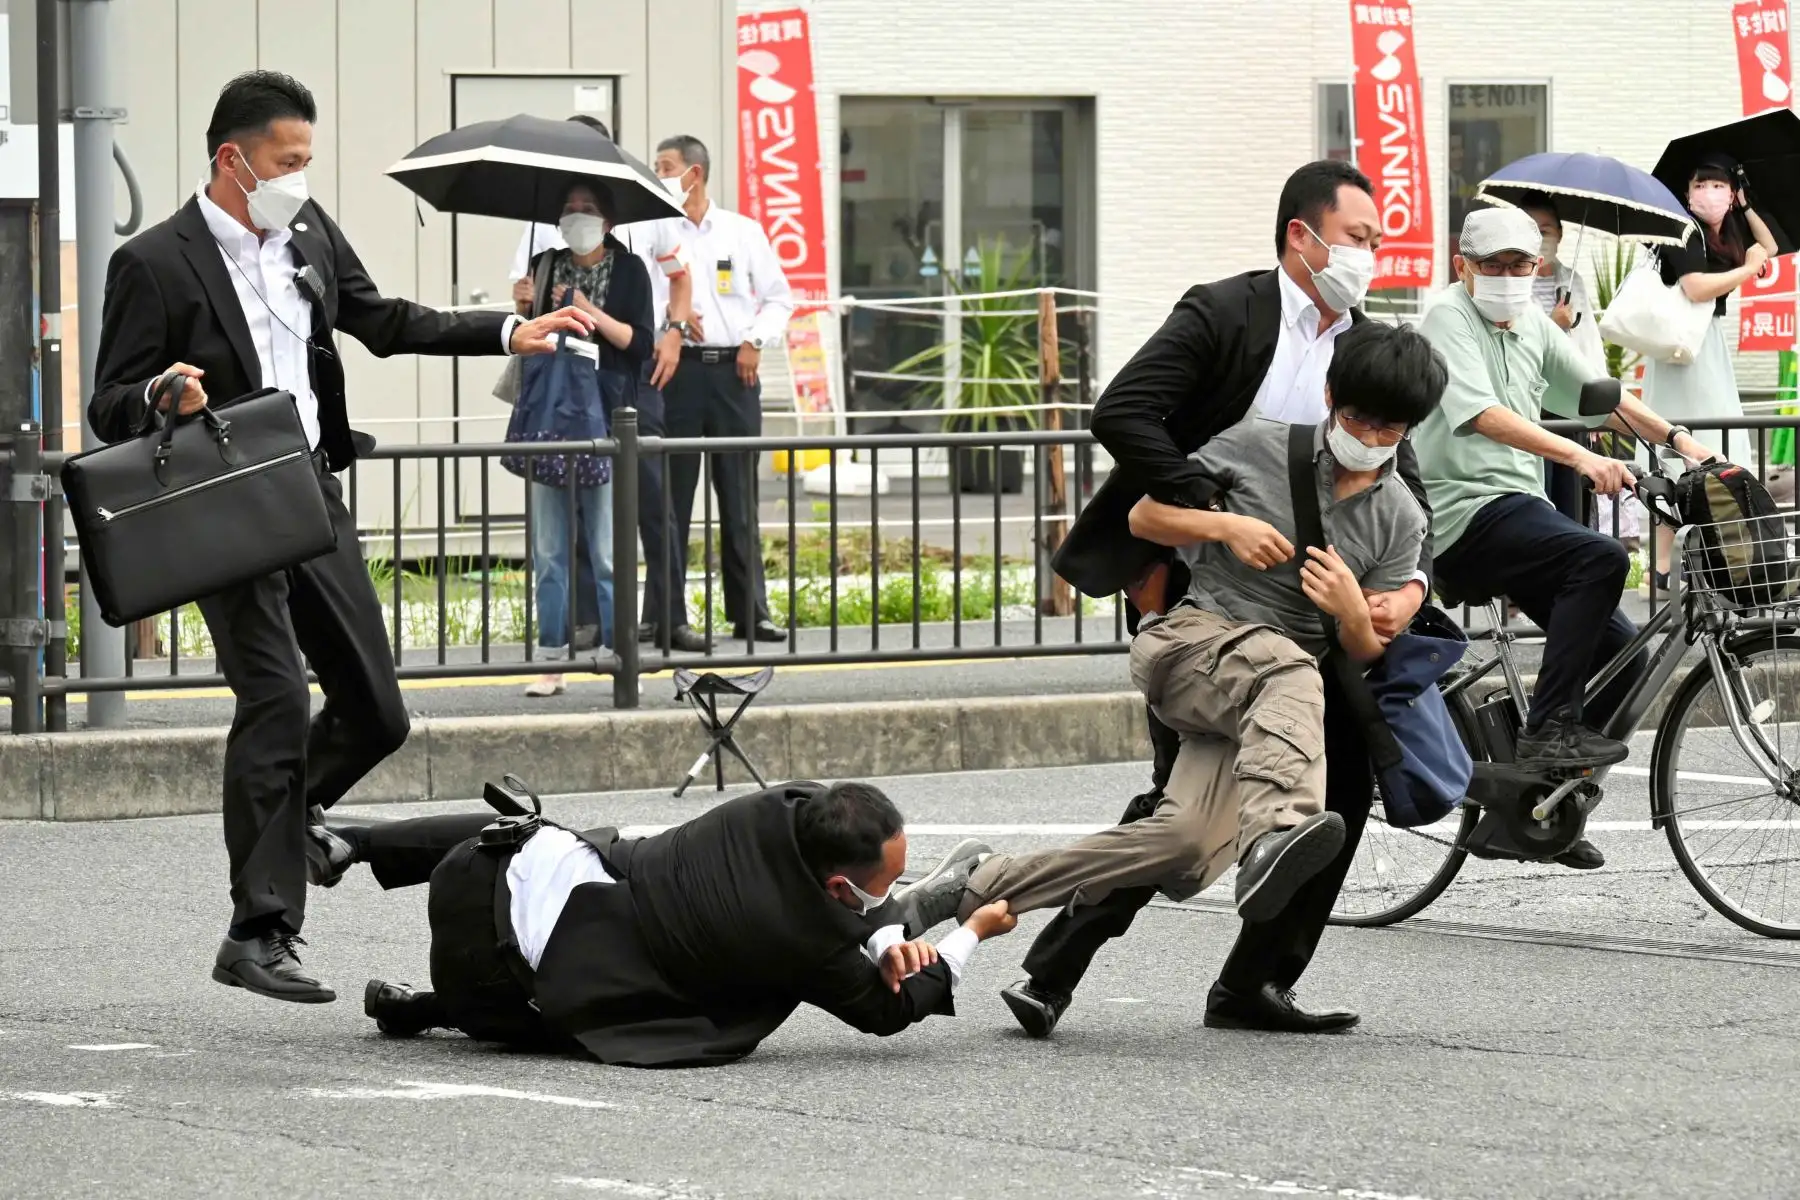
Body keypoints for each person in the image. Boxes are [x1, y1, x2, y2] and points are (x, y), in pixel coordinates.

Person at [87, 71, 593, 1004]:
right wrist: (163, 392)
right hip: (221, 502)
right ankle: (259, 930)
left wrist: (506, 331)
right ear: (232, 158)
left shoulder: (308, 233)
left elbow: (382, 321)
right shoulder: (155, 262)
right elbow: (108, 401)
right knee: (277, 699)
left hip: (309, 491)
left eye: (306, 162)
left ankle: (288, 827)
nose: (300, 178)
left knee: (376, 711)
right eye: (287, 162)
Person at [1009, 160, 1437, 1039]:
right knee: (1182, 797)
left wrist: (1411, 588)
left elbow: (1407, 479)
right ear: (1302, 236)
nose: (1368, 255)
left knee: (1344, 786)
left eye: (1375, 241)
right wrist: (1214, 512)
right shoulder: (1226, 313)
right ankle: (1054, 970)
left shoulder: (1366, 346)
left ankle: (1255, 982)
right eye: (1357, 238)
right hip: (1206, 593)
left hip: (1315, 614)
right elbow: (1124, 412)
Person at [898, 324, 1446, 999]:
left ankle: (977, 881)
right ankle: (1277, 832)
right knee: (1292, 669)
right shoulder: (1257, 444)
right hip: (1192, 643)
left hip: (1265, 701)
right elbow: (1144, 517)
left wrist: (1352, 611)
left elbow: (1366, 649)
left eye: (1389, 427)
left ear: (1410, 428)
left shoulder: (1400, 517)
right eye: (1357, 417)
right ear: (1330, 396)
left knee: (1182, 841)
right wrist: (1226, 525)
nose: (1369, 435)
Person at [308, 782, 1013, 1066]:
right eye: (886, 884)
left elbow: (844, 898)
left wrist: (882, 930)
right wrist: (972, 932)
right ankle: (429, 1007)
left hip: (474, 871)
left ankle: (358, 842)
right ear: (837, 888)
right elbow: (888, 1014)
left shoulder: (774, 808)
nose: (887, 892)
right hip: (493, 986)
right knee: (598, 1005)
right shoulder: (806, 943)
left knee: (539, 834)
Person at [1414, 207, 1715, 788]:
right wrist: (1580, 456)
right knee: (1600, 557)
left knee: (1624, 656)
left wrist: (1683, 442)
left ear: (1536, 267)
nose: (1508, 276)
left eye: (1520, 264)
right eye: (1492, 265)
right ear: (1461, 267)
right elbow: (1481, 413)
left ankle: (1544, 794)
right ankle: (1549, 726)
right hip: (1462, 514)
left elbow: (1600, 396)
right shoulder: (1447, 318)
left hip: (1520, 512)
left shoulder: (1531, 322)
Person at [507, 115, 708, 654]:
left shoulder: (645, 208)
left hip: (628, 387)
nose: (579, 215)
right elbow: (524, 307)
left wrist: (673, 333)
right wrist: (523, 303)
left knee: (649, 502)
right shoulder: (543, 233)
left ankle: (666, 618)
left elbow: (679, 279)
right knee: (569, 516)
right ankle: (581, 624)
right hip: (561, 395)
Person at [513, 184, 656, 697]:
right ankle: (551, 661)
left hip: (608, 419)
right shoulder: (544, 264)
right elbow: (528, 341)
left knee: (608, 548)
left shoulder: (630, 269)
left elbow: (638, 344)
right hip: (551, 416)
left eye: (588, 210)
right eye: (569, 210)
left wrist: (585, 308)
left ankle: (621, 656)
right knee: (549, 549)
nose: (577, 218)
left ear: (608, 222)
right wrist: (524, 308)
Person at [654, 134, 795, 646]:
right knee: (671, 499)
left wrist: (755, 340)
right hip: (676, 372)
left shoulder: (741, 231)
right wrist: (670, 317)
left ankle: (750, 612)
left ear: (695, 172)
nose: (659, 175)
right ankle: (666, 615)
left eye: (666, 166)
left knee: (738, 496)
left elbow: (779, 298)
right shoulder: (653, 230)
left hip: (736, 371)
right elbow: (640, 295)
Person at [1642, 152, 1779, 587]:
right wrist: (1746, 269)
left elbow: (1770, 246)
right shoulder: (1682, 231)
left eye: (1718, 185)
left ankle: (1702, 566)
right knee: (1680, 453)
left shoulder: (1728, 232)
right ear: (1687, 193)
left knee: (1716, 449)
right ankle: (1665, 569)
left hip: (1706, 345)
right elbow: (1696, 287)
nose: (1709, 193)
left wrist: (1746, 203)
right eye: (1700, 184)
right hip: (1682, 351)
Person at [1516, 192, 1607, 531]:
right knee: (1537, 492)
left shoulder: (1572, 281)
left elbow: (1590, 345)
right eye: (1532, 229)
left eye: (1547, 230)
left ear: (1560, 234)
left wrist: (1598, 407)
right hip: (1527, 405)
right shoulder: (1512, 284)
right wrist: (1553, 325)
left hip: (1569, 404)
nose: (1541, 237)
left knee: (1571, 494)